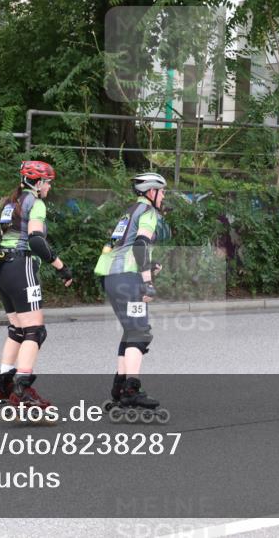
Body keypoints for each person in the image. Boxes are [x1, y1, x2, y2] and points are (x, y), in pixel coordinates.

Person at [0, 160, 73, 409]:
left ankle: (2, 384)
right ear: (38, 182)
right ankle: (22, 390)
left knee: (17, 329)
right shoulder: (35, 203)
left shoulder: (10, 202)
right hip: (20, 265)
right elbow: (36, 241)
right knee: (35, 331)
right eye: (48, 182)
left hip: (0, 267)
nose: (49, 187)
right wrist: (60, 267)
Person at [94, 172, 169, 422]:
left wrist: (149, 267)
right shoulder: (148, 213)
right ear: (151, 192)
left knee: (130, 331)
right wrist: (147, 282)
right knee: (140, 332)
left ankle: (119, 386)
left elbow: (122, 246)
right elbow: (139, 246)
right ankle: (131, 390)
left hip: (111, 276)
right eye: (163, 191)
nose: (164, 196)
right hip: (127, 277)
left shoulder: (129, 212)